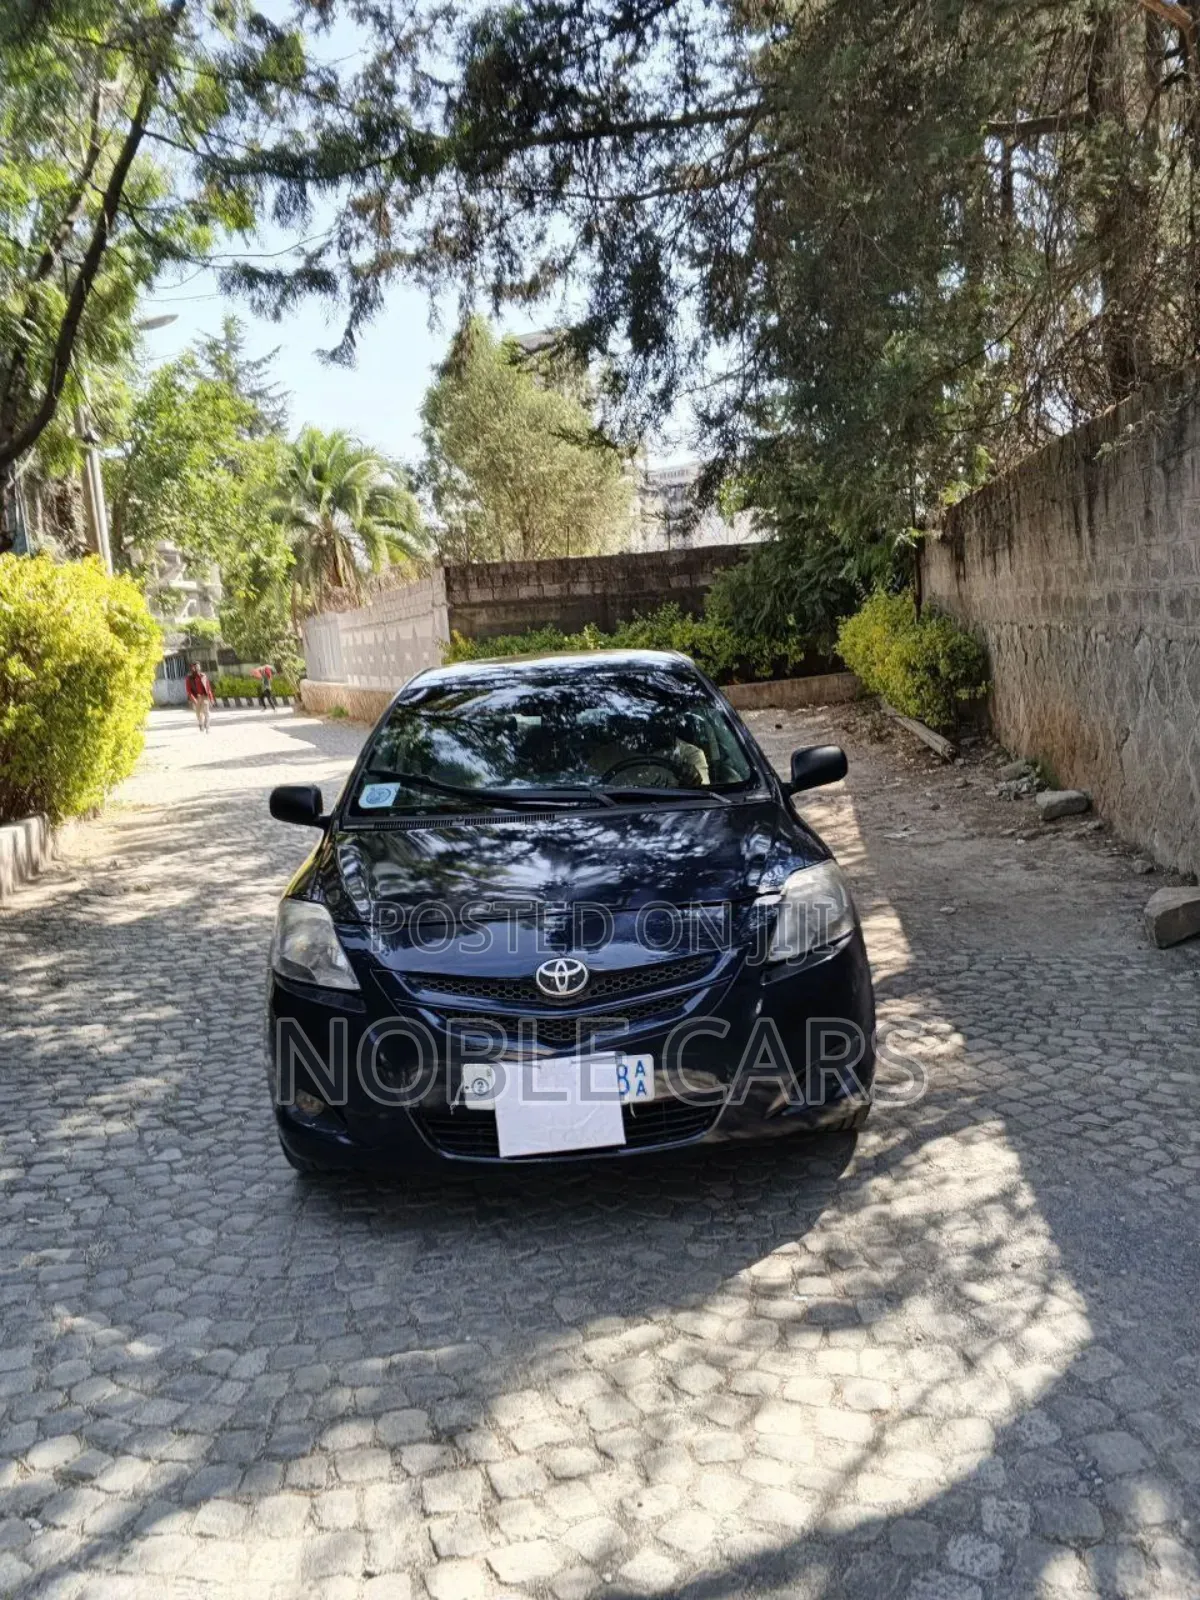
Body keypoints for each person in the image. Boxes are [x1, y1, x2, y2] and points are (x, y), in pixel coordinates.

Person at [185, 662, 214, 732]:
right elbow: (188, 691)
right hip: (196, 698)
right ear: (192, 668)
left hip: (205, 697)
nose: (197, 668)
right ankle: (201, 724)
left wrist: (211, 698)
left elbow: (208, 688)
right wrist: (193, 699)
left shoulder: (204, 676)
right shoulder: (189, 678)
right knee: (199, 714)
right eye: (195, 667)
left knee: (206, 713)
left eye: (198, 667)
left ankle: (207, 727)